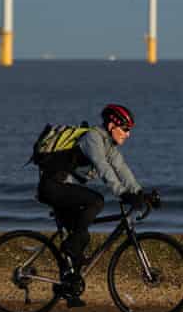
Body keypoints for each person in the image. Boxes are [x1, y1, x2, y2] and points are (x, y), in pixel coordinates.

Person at [37, 104, 145, 276]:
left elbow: (121, 168)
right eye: (125, 129)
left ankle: (70, 284)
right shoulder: (93, 138)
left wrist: (139, 193)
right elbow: (103, 168)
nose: (128, 134)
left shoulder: (109, 145)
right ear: (111, 126)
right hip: (53, 186)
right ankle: (69, 247)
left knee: (82, 238)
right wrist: (123, 193)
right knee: (96, 201)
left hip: (64, 187)